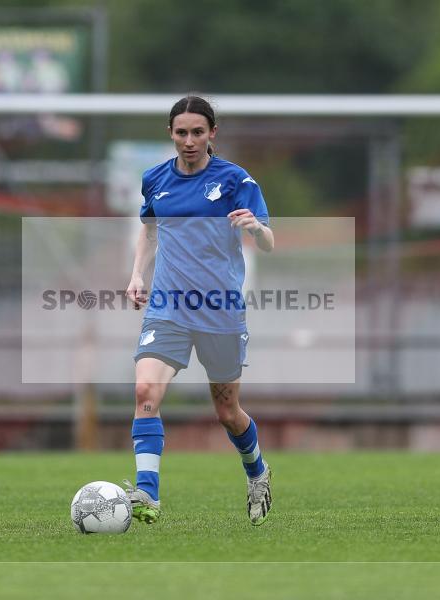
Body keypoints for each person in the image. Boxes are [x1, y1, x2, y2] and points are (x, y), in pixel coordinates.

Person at [124, 96, 275, 526]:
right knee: (144, 393)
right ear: (170, 133)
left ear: (212, 134)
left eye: (197, 132)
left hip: (219, 311)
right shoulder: (155, 180)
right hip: (168, 306)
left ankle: (257, 472)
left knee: (227, 412)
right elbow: (150, 231)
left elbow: (268, 240)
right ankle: (148, 495)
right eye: (181, 132)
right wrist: (137, 275)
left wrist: (256, 228)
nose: (189, 140)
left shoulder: (235, 180)